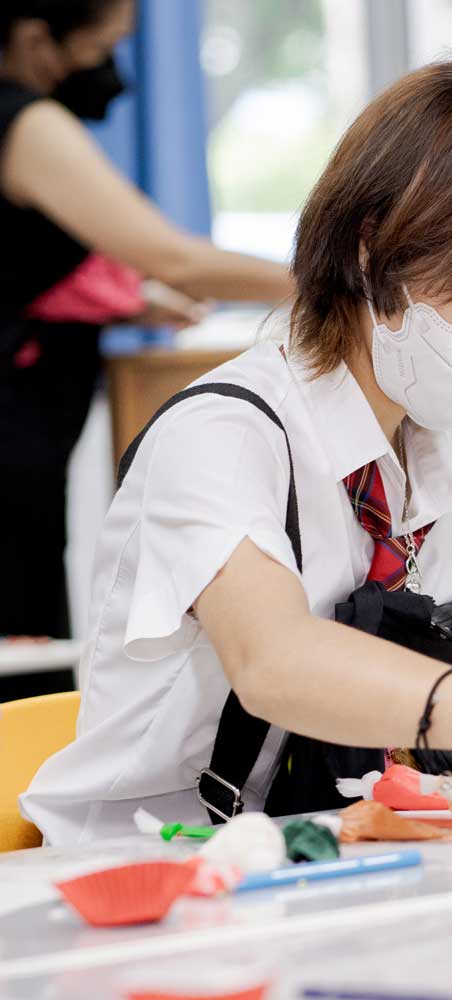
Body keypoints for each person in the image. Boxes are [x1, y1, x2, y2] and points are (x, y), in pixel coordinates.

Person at [21, 58, 452, 846]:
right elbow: (275, 662)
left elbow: (440, 738)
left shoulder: (439, 465)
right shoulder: (223, 433)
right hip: (143, 869)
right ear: (371, 247)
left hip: (314, 861)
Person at [0, 0, 294, 646]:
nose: (110, 70)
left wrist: (129, 303)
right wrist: (326, 282)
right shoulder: (27, 123)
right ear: (35, 40)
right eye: (102, 46)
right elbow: (176, 258)